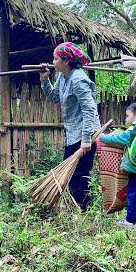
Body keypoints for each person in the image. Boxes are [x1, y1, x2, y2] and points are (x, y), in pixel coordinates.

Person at [39, 42, 101, 211]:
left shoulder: (78, 79)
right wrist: (45, 79)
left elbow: (90, 109)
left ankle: (85, 212)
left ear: (66, 61)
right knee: (73, 176)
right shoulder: (63, 77)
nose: (53, 62)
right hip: (73, 133)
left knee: (79, 176)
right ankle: (81, 210)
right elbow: (53, 97)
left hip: (85, 135)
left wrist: (86, 140)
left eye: (56, 59)